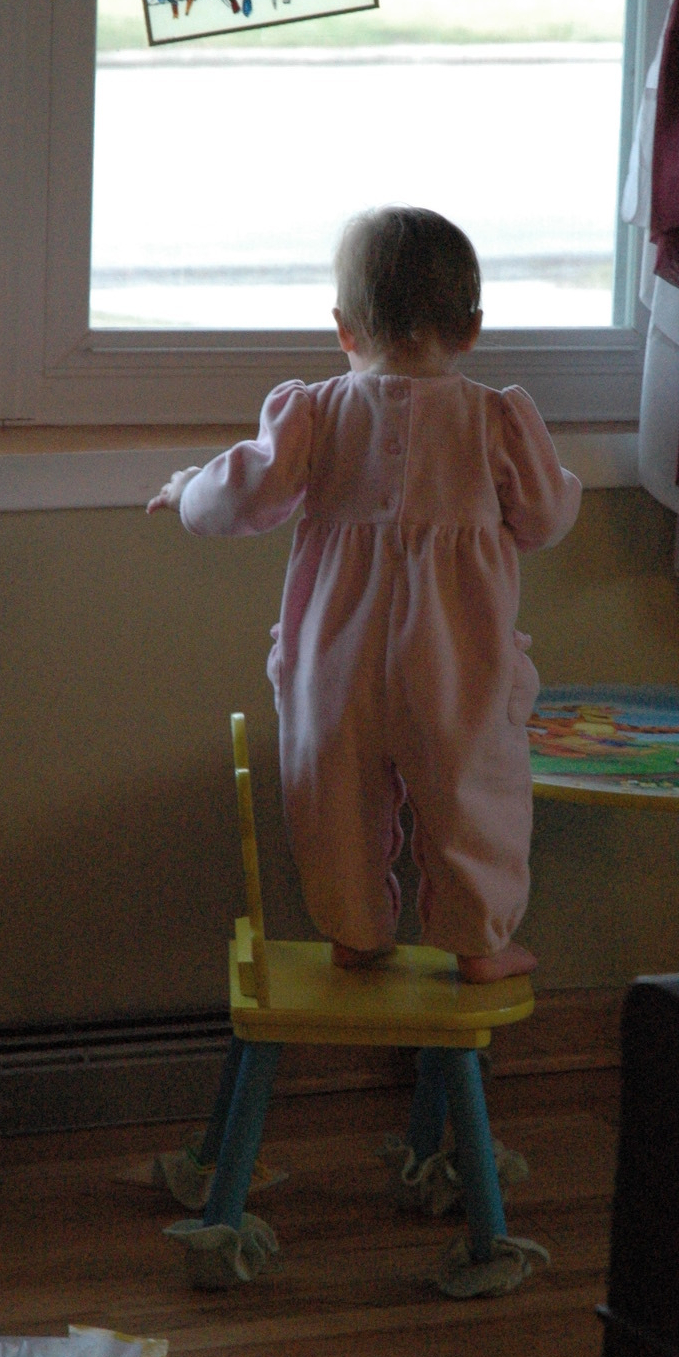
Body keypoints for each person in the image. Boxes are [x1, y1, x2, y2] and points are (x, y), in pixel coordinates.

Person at [149, 207, 581, 982]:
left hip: (333, 660)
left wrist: (186, 490)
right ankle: (479, 942)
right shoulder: (495, 421)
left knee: (333, 799)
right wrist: (560, 482)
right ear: (472, 328)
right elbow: (545, 518)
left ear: (344, 328)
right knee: (472, 795)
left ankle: (354, 929)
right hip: (457, 664)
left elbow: (241, 495)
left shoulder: (314, 413)